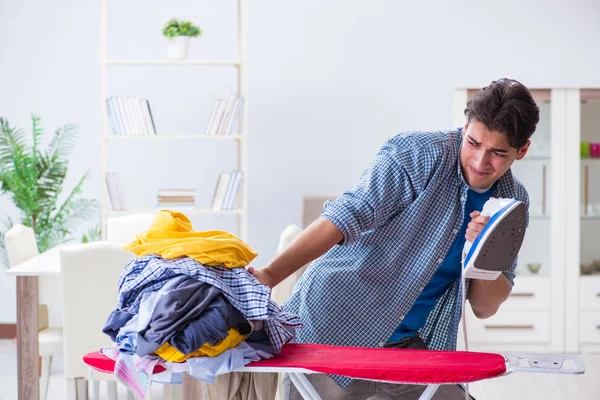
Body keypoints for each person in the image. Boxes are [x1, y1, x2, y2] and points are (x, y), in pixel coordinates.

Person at [249, 78, 540, 399]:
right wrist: (269, 275)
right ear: (465, 125)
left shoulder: (513, 202)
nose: (480, 161)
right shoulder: (418, 155)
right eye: (473, 143)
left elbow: (485, 308)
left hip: (410, 344)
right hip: (332, 327)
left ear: (522, 150)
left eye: (497, 153)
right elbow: (345, 216)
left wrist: (485, 255)